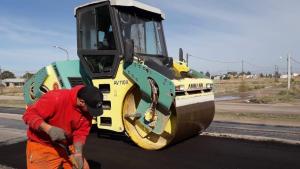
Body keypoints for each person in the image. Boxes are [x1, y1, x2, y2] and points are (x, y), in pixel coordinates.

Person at [23, 85, 103, 169]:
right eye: (91, 109)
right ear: (81, 102)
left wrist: (78, 153)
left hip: (68, 146)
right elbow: (29, 115)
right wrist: (48, 129)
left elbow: (81, 132)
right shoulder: (56, 98)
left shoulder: (87, 110)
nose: (92, 113)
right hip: (44, 146)